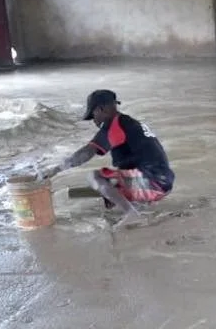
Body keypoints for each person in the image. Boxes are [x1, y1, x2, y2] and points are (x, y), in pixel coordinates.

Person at [50, 90, 174, 228]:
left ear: (101, 109)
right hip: (162, 182)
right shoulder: (129, 123)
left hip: (151, 182)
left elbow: (86, 153)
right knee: (107, 187)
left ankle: (131, 214)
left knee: (95, 177)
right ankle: (133, 207)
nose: (94, 121)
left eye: (93, 116)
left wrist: (55, 170)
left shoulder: (115, 126)